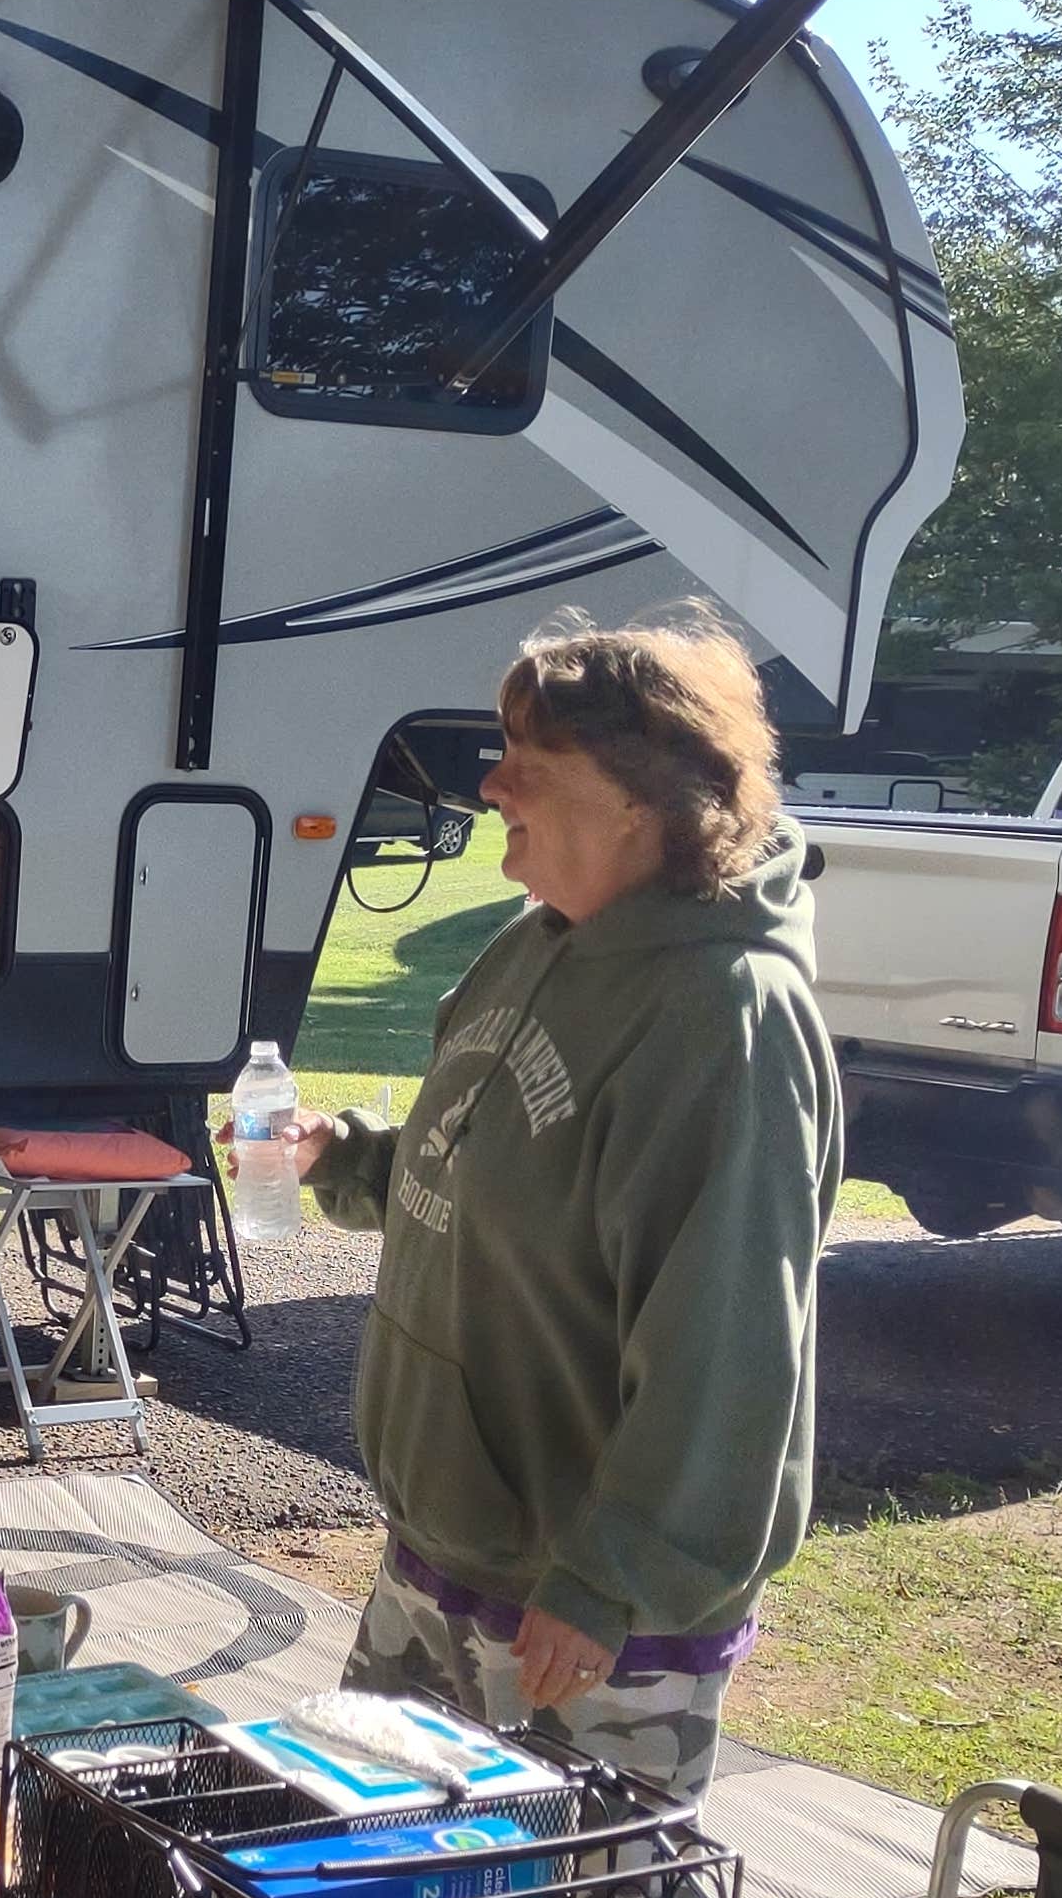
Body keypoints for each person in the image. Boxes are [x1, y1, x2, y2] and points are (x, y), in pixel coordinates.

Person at [295, 611, 841, 1804]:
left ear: (639, 802)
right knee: (368, 1886)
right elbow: (480, 1171)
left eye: (529, 758)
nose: (490, 780)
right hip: (443, 1552)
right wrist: (345, 1159)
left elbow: (730, 1340)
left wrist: (613, 1576)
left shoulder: (725, 1015)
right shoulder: (534, 942)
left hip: (584, 1611)